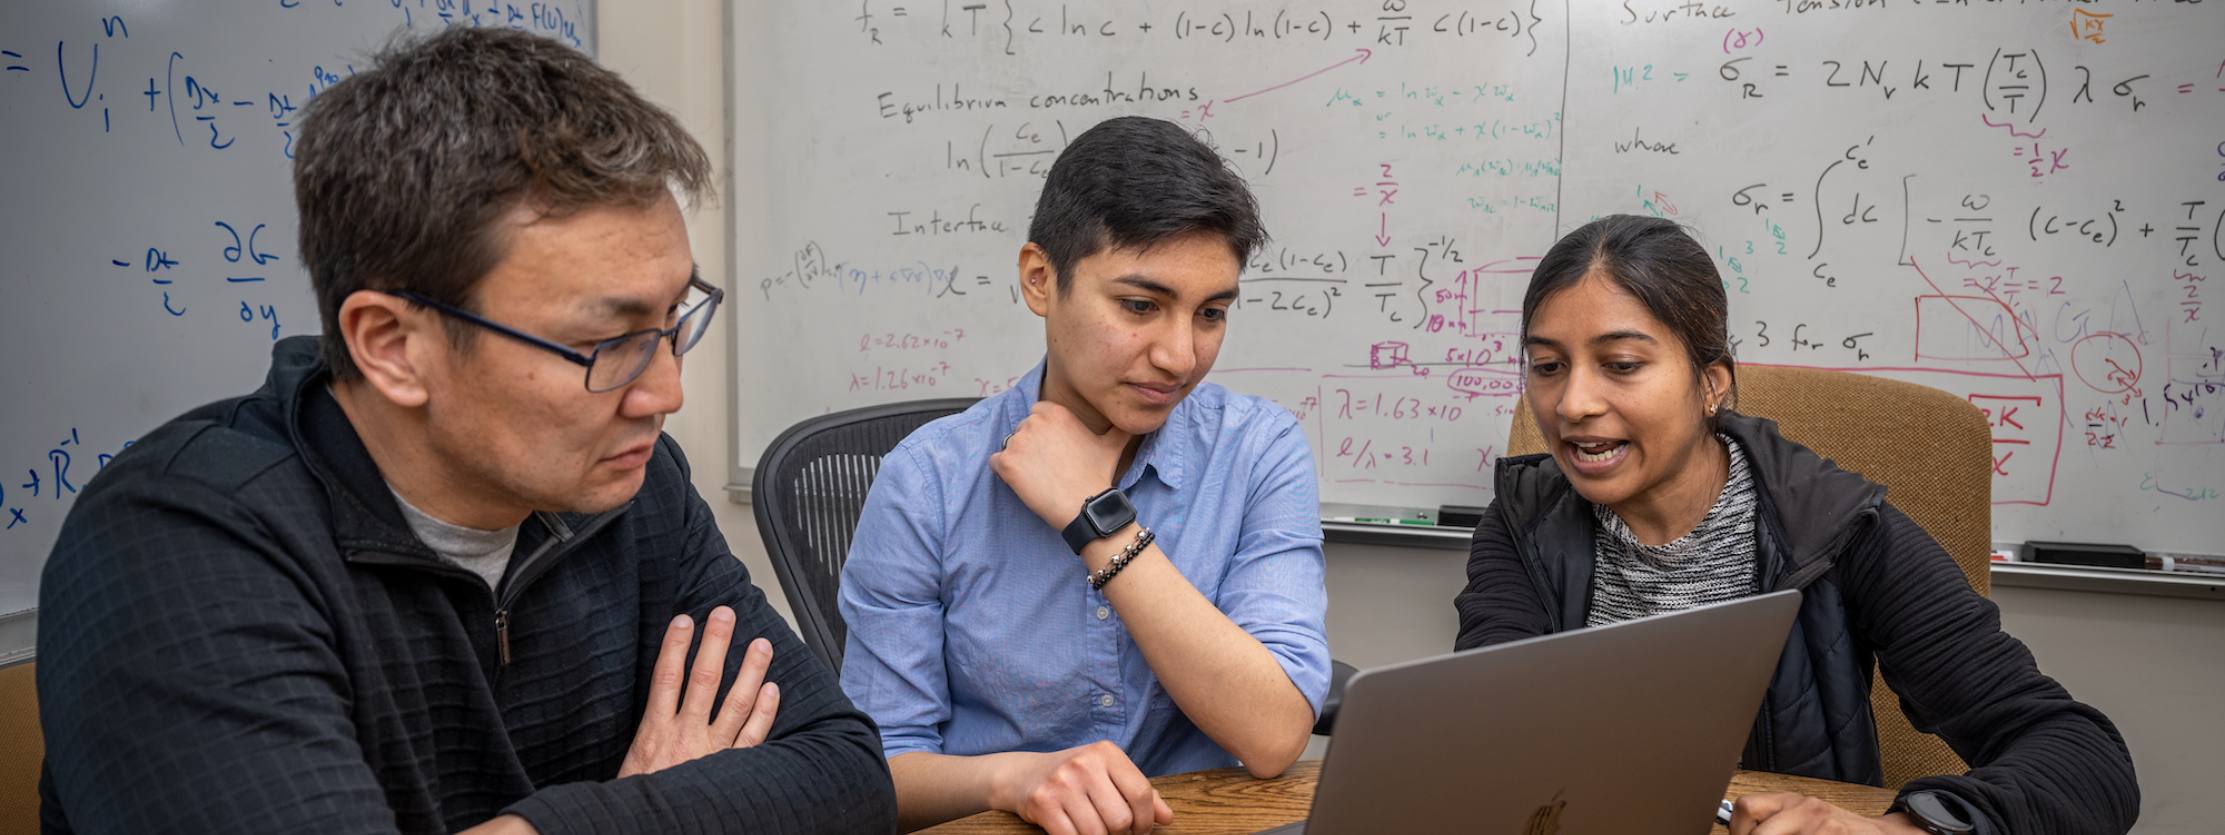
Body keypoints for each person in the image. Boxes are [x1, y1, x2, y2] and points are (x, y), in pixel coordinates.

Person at [36, 27, 895, 834]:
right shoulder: (182, 545)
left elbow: (846, 773)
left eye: (675, 316)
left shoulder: (633, 487)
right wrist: (661, 810)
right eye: (604, 343)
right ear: (393, 347)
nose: (663, 391)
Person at [1453, 214, 2138, 835]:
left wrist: (1896, 831)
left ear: (1711, 381)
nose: (1571, 402)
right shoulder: (1523, 523)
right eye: (1546, 366)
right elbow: (1493, 737)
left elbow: (2084, 756)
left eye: (1621, 364)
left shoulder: (1835, 525)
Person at [837, 116, 1330, 835]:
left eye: (1211, 313)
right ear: (1041, 279)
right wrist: (1014, 776)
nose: (1179, 356)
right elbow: (879, 766)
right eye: (1140, 305)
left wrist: (1097, 516)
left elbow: (1273, 733)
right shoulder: (927, 480)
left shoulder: (1259, 450)